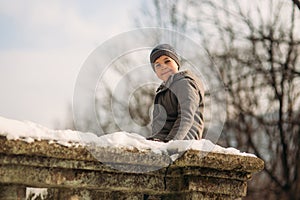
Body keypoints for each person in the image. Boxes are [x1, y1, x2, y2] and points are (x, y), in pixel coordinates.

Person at [147, 44, 205, 142]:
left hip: (183, 142)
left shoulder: (184, 83)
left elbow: (185, 117)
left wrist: (171, 144)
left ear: (177, 64)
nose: (163, 67)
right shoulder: (163, 92)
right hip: (164, 142)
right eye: (158, 65)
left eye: (167, 61)